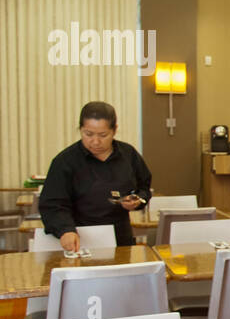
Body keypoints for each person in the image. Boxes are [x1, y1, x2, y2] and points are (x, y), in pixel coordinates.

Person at [38, 101, 152, 250]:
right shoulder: (65, 161)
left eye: (103, 135)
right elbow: (52, 204)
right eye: (88, 134)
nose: (95, 141)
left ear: (114, 130)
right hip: (81, 237)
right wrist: (65, 230)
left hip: (121, 237)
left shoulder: (128, 154)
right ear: (80, 129)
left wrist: (137, 200)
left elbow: (144, 188)